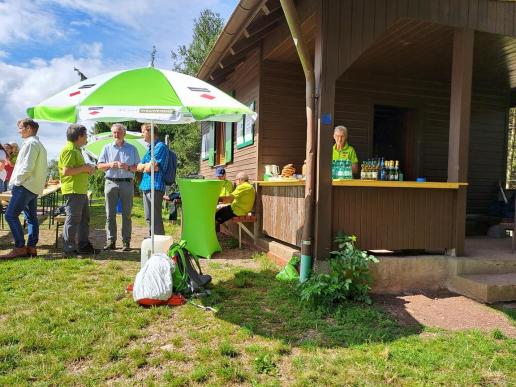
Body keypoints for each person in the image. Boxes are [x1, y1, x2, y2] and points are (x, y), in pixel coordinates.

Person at [1, 118, 47, 259]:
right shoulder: (39, 144)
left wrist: (16, 183)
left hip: (25, 186)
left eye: (21, 127)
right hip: (33, 188)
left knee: (10, 215)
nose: (19, 130)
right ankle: (31, 247)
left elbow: (27, 168)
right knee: (31, 218)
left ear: (29, 128)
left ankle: (20, 247)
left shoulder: (31, 144)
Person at [97, 123, 140, 251]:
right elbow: (99, 166)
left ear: (124, 134)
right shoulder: (106, 148)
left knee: (126, 214)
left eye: (119, 132)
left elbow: (138, 167)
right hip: (110, 182)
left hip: (127, 182)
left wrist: (127, 167)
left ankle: (126, 242)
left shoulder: (132, 149)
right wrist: (110, 164)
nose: (116, 135)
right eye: (114, 133)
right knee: (110, 214)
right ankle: (111, 241)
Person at [58, 124, 99, 256]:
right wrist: (84, 168)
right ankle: (69, 247)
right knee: (73, 219)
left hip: (80, 190)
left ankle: (84, 245)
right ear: (79, 136)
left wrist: (87, 169)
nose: (87, 137)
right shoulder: (69, 150)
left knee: (83, 219)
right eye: (86, 135)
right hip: (73, 190)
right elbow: (67, 171)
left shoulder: (76, 149)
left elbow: (77, 169)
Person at [137, 123, 169, 236]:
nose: (142, 134)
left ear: (150, 132)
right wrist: (146, 166)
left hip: (155, 186)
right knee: (148, 218)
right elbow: (138, 167)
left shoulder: (160, 147)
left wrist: (146, 166)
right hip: (146, 186)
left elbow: (152, 167)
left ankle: (159, 244)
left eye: (143, 131)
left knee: (155, 218)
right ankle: (152, 239)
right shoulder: (150, 149)